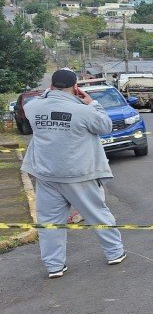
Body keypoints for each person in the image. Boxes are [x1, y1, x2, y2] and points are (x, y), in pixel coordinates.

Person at [21, 69, 126, 279]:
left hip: (47, 174)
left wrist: (47, 95)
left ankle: (54, 267)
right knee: (97, 214)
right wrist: (92, 103)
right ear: (75, 87)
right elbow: (105, 126)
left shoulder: (32, 107)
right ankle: (115, 252)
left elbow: (37, 102)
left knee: (50, 222)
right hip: (79, 174)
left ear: (51, 85)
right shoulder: (83, 111)